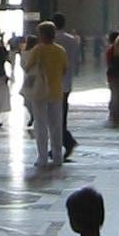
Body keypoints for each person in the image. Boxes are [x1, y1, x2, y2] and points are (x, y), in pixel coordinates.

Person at [23, 21, 67, 167]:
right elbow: (65, 69)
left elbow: (28, 67)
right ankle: (57, 156)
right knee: (56, 125)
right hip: (56, 91)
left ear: (41, 35)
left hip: (39, 91)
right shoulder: (60, 50)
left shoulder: (37, 50)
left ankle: (42, 157)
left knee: (40, 125)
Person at [52, 12, 79, 157]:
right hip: (67, 82)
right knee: (62, 114)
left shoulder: (52, 40)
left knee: (53, 116)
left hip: (53, 83)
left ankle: (67, 141)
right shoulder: (72, 40)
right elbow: (75, 60)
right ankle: (59, 143)